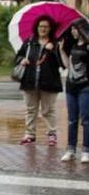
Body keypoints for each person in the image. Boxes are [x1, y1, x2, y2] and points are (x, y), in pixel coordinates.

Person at [14, 17, 62, 146]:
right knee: (30, 110)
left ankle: (52, 134)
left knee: (48, 110)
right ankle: (30, 134)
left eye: (46, 26)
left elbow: (61, 63)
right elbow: (18, 55)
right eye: (41, 26)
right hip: (29, 81)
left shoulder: (56, 43)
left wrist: (52, 50)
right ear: (37, 27)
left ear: (50, 28)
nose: (43, 29)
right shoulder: (30, 42)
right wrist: (21, 60)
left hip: (49, 82)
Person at [58, 20, 89, 163]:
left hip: (85, 87)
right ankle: (70, 150)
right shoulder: (73, 46)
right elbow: (67, 66)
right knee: (72, 120)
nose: (72, 32)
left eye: (74, 29)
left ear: (80, 29)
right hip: (71, 87)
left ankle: (86, 151)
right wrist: (61, 50)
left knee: (86, 120)